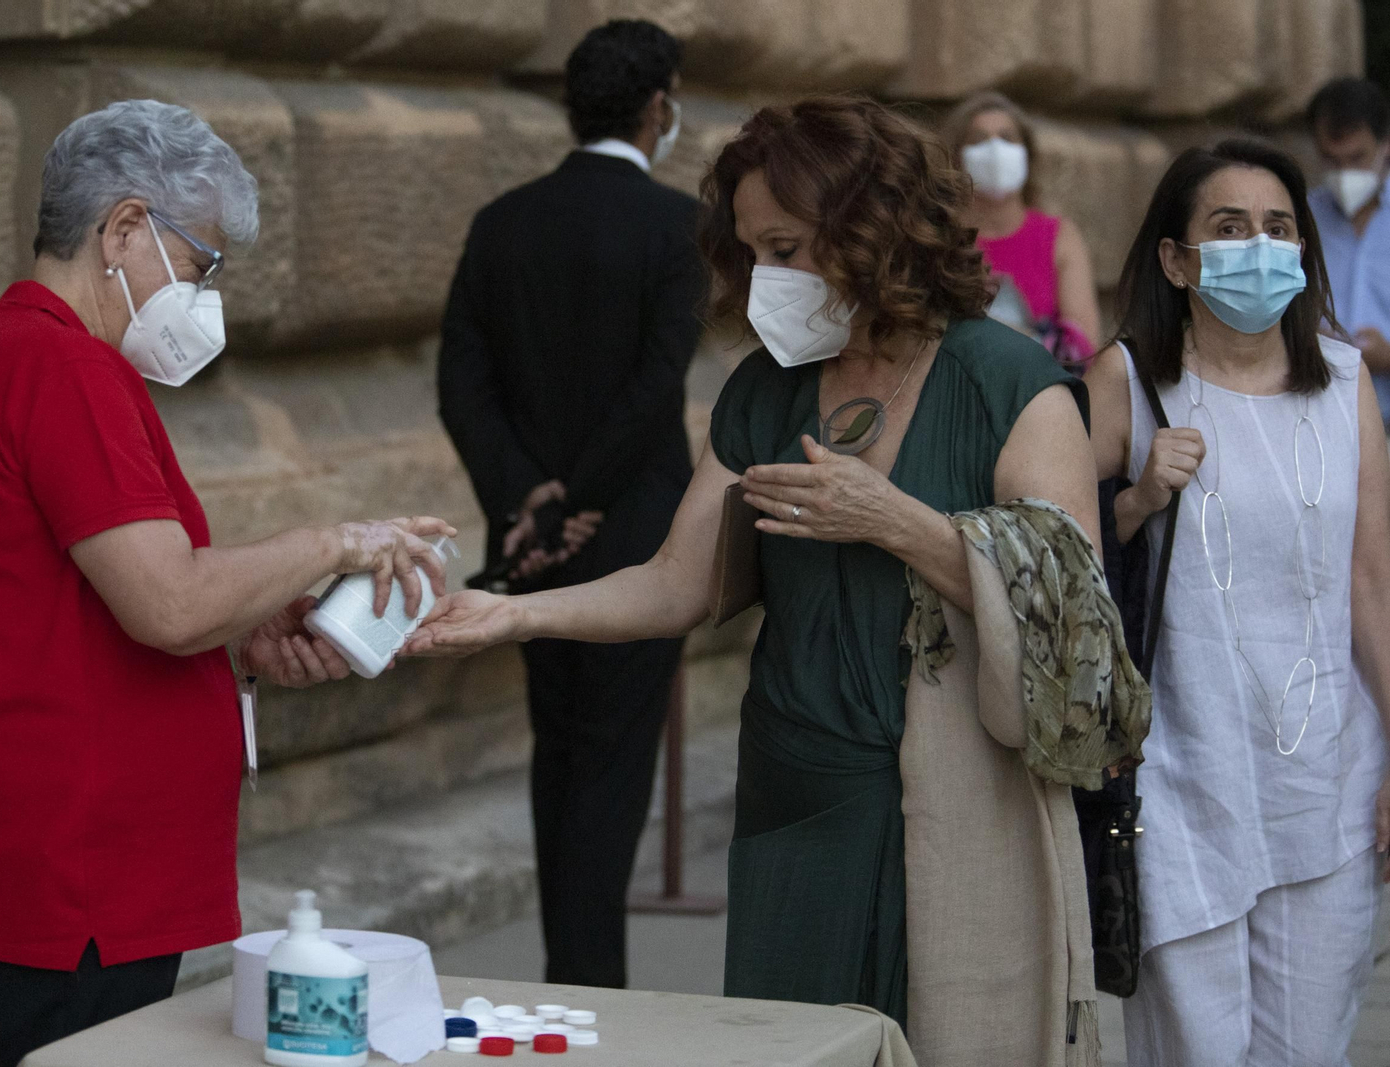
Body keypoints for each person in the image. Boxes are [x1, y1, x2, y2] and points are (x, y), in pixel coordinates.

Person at [417, 95, 1101, 1034]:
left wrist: (895, 521)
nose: (764, 277)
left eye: (786, 247)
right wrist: (514, 614)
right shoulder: (766, 390)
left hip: (963, 799)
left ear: (875, 229)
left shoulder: (1008, 382)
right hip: (795, 791)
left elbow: (1072, 624)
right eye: (750, 252)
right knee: (790, 1043)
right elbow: (676, 581)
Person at [0, 99, 454, 1067]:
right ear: (123, 229)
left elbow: (100, 598)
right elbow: (168, 601)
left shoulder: (29, 354)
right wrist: (336, 542)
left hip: (63, 878)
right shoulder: (62, 364)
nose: (203, 297)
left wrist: (246, 628)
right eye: (200, 265)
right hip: (66, 882)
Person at [1087, 138, 1390, 1065]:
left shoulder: (1344, 382)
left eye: (1278, 227)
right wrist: (1136, 498)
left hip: (1326, 780)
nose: (1258, 247)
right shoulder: (1126, 382)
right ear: (1176, 260)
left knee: (1308, 1048)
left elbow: (1372, 580)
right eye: (1228, 228)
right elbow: (1055, 558)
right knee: (1197, 1050)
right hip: (1181, 780)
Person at [436, 17, 705, 990]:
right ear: (657, 106)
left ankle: (572, 969)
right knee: (611, 762)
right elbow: (656, 385)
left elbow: (461, 381)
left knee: (558, 749)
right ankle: (589, 984)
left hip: (529, 541)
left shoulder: (502, 220)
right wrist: (576, 499)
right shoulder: (678, 224)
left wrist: (526, 499)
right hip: (637, 535)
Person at [943, 91, 1102, 366]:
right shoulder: (939, 237)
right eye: (979, 140)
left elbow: (1083, 349)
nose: (995, 149)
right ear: (957, 158)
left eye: (1007, 138)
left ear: (1027, 155)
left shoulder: (1059, 236)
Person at [1308, 76, 1390, 428]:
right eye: (1331, 160)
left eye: (1357, 158)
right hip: (1324, 418)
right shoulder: (1300, 218)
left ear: (1385, 145)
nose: (1344, 173)